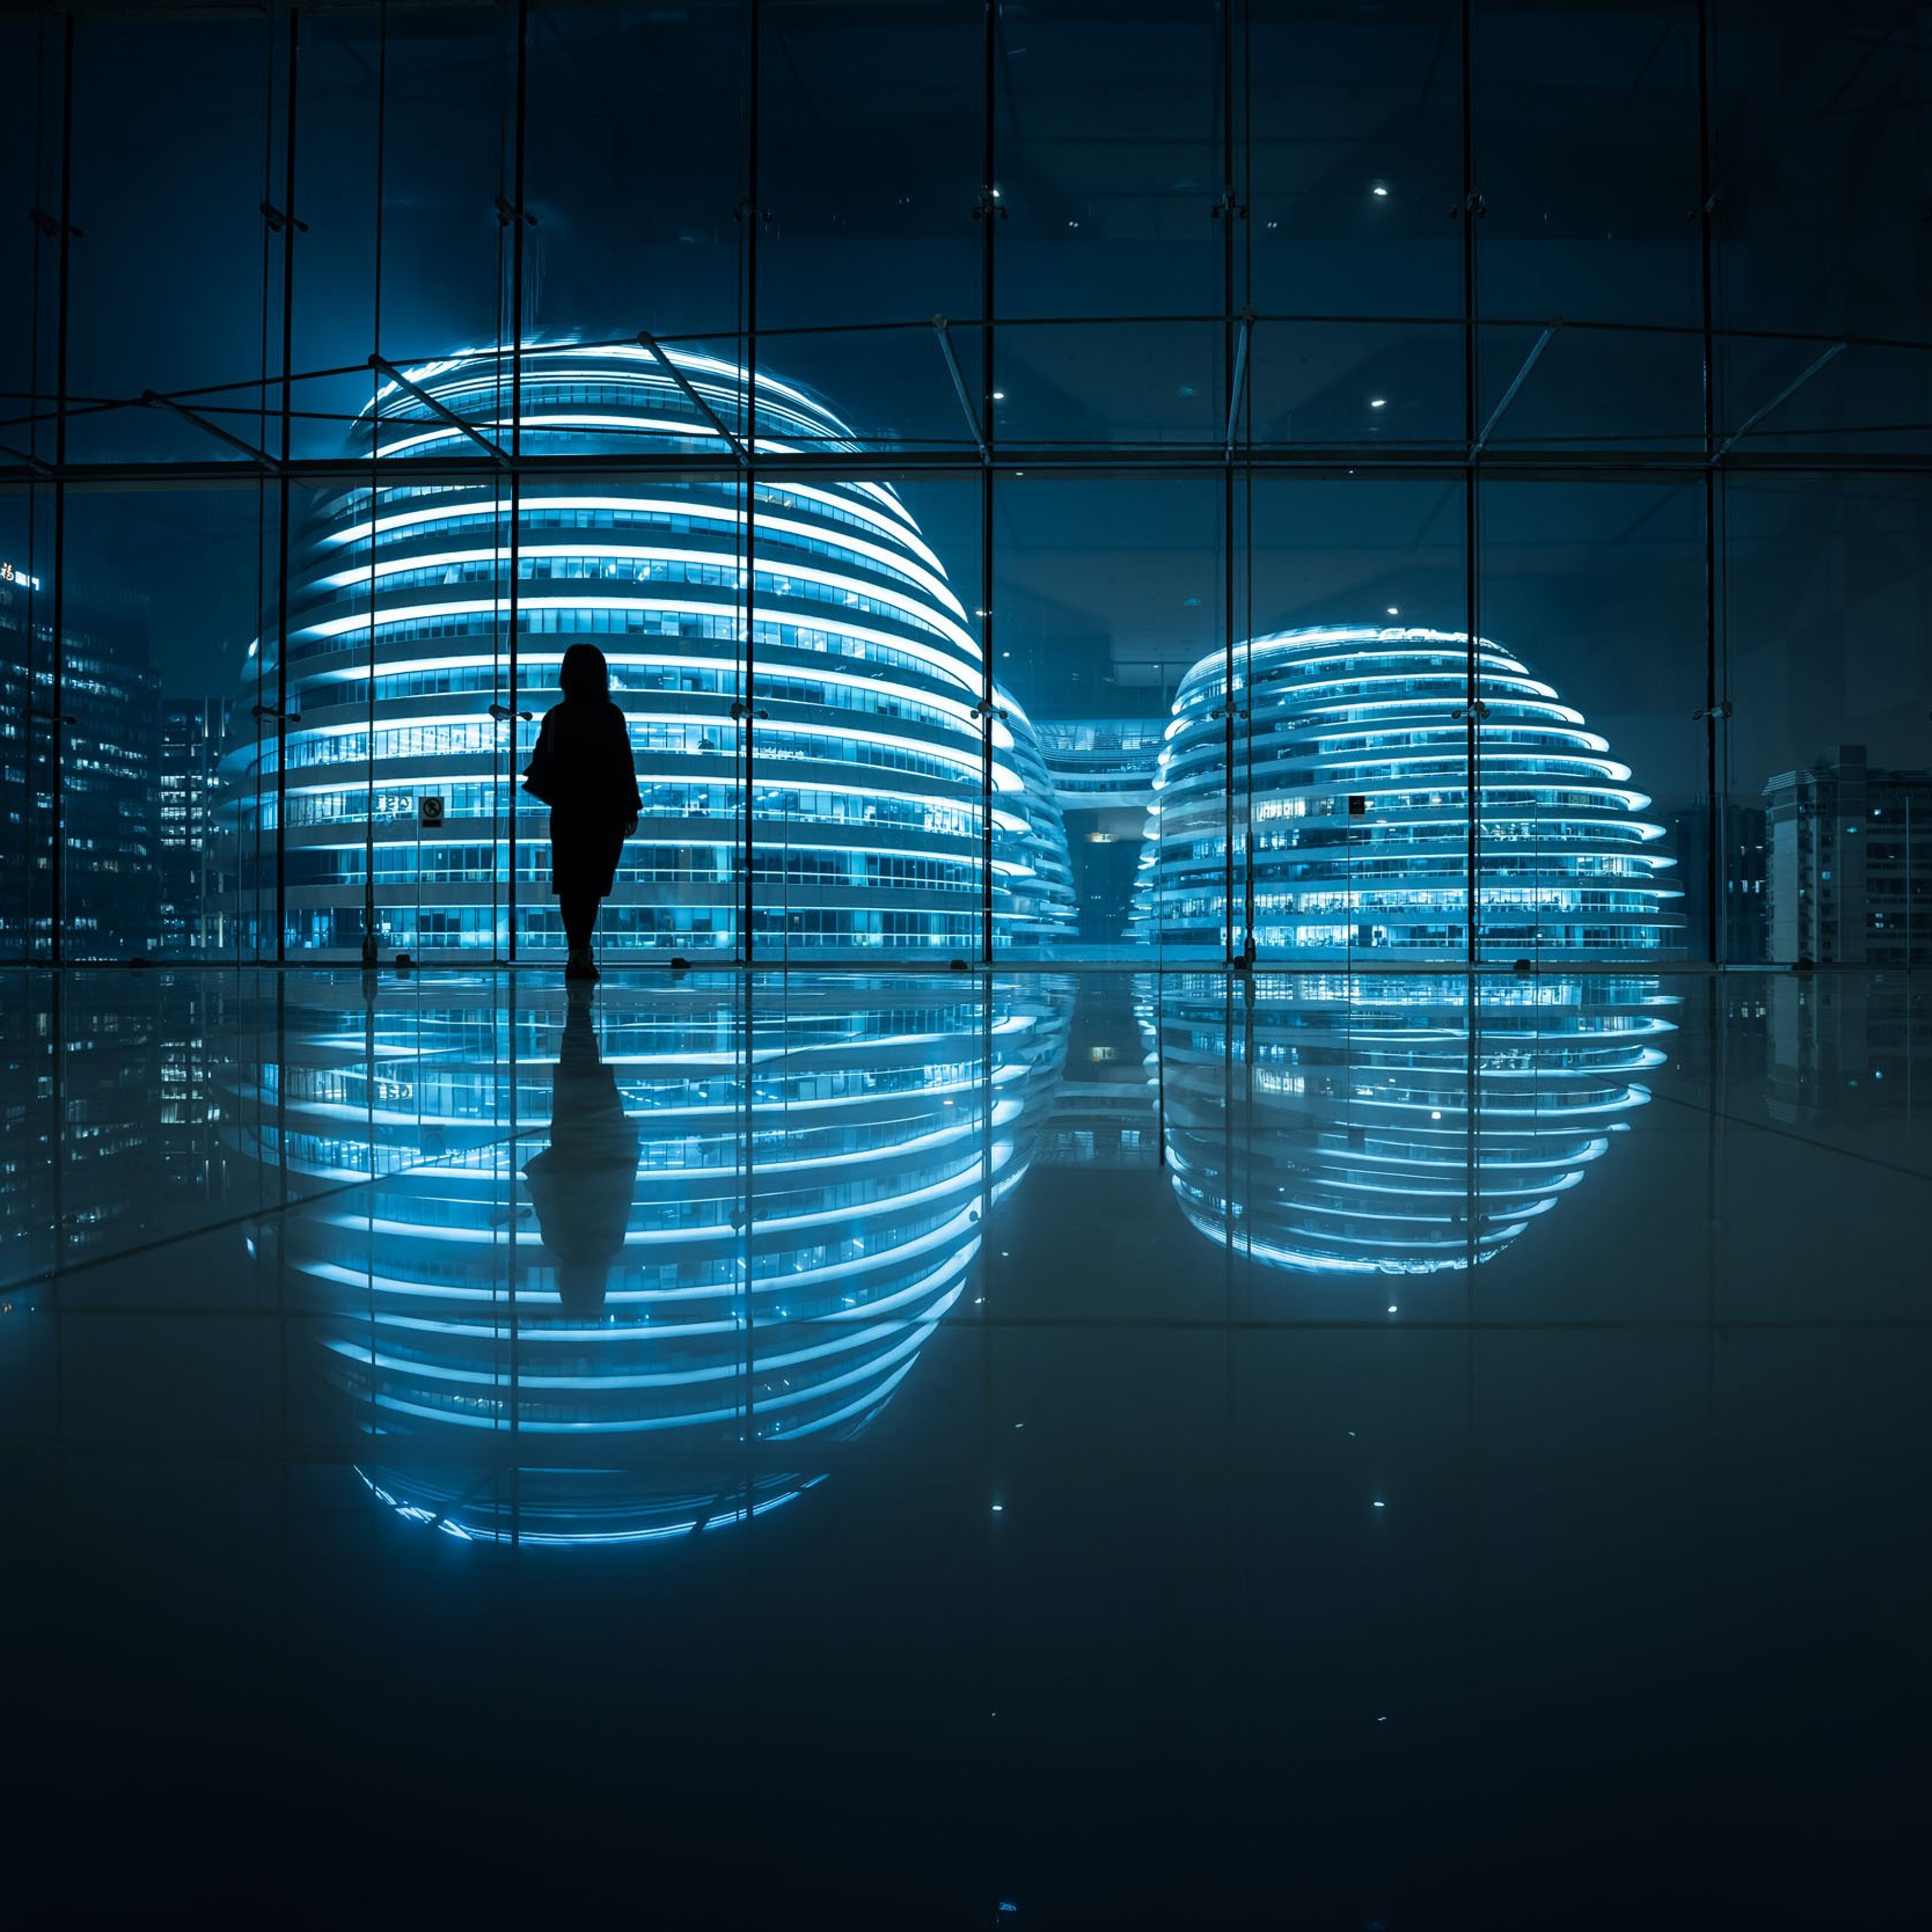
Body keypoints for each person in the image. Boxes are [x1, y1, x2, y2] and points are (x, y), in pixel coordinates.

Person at [521, 642, 641, 982]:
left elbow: (540, 763)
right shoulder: (610, 716)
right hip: (604, 813)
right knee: (591, 885)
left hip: (569, 812)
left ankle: (576, 955)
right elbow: (623, 765)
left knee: (571, 885)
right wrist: (630, 808)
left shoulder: (556, 717)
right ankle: (583, 955)